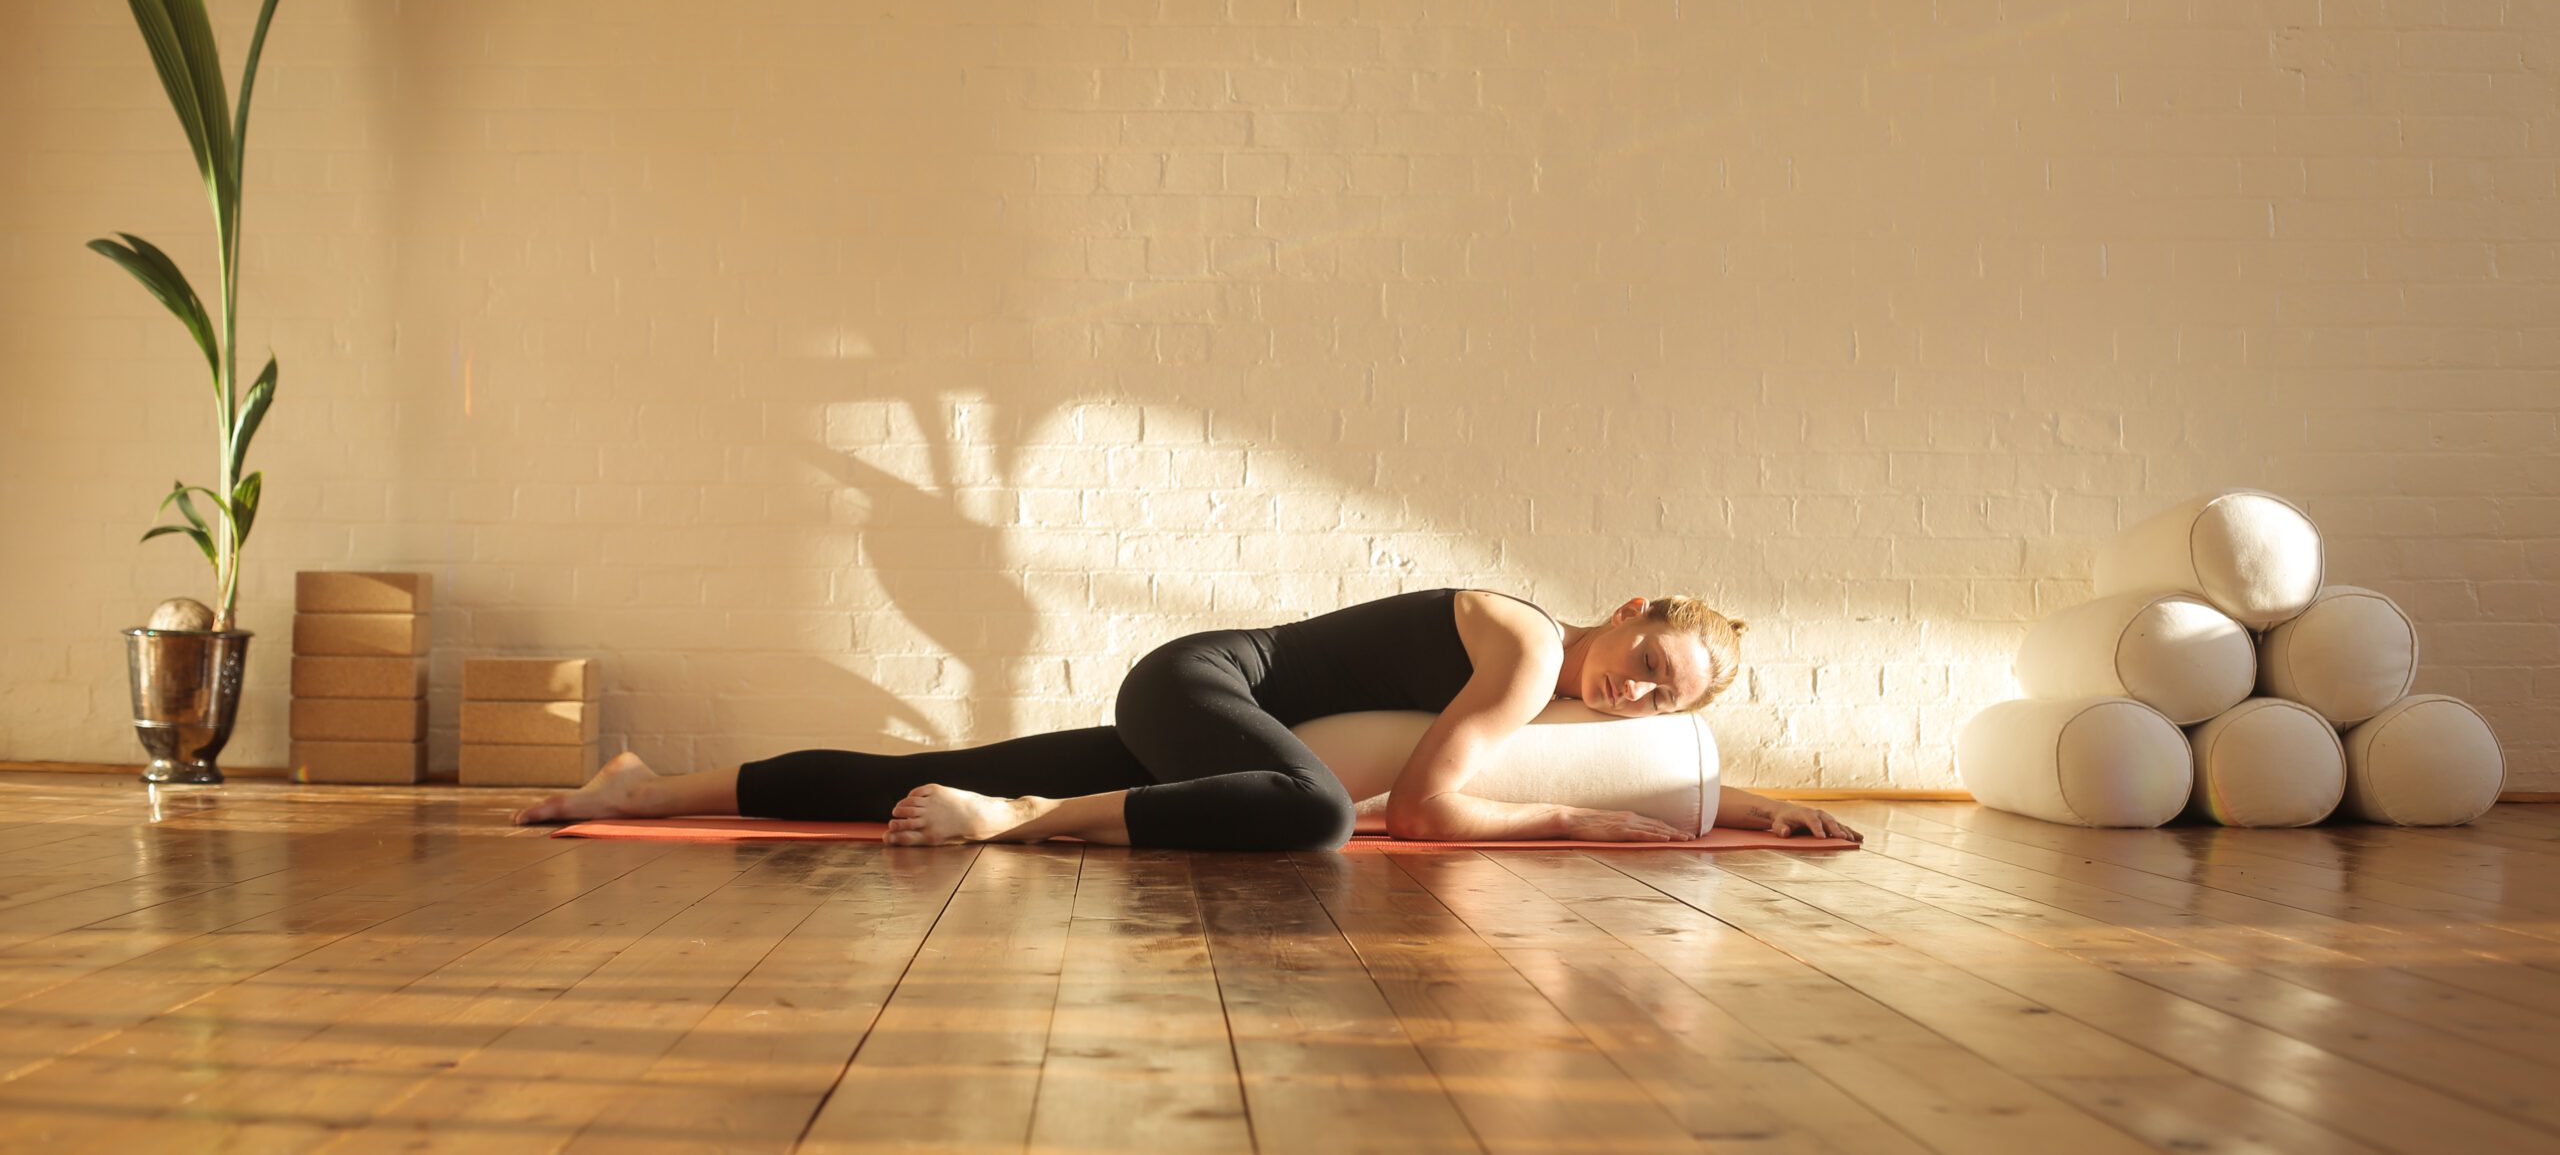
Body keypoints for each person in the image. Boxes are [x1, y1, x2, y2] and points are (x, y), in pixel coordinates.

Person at [508, 590, 1863, 848]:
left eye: (1659, 699)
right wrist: (1579, 826)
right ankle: (1023, 827)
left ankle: (641, 788)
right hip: (1202, 684)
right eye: (1646, 665)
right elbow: (1437, 810)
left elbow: (1574, 765)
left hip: (1207, 711)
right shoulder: (1518, 649)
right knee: (1319, 815)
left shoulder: (1548, 687)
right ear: (1624, 610)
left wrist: (1731, 806)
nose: (1631, 696)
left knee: (919, 771)